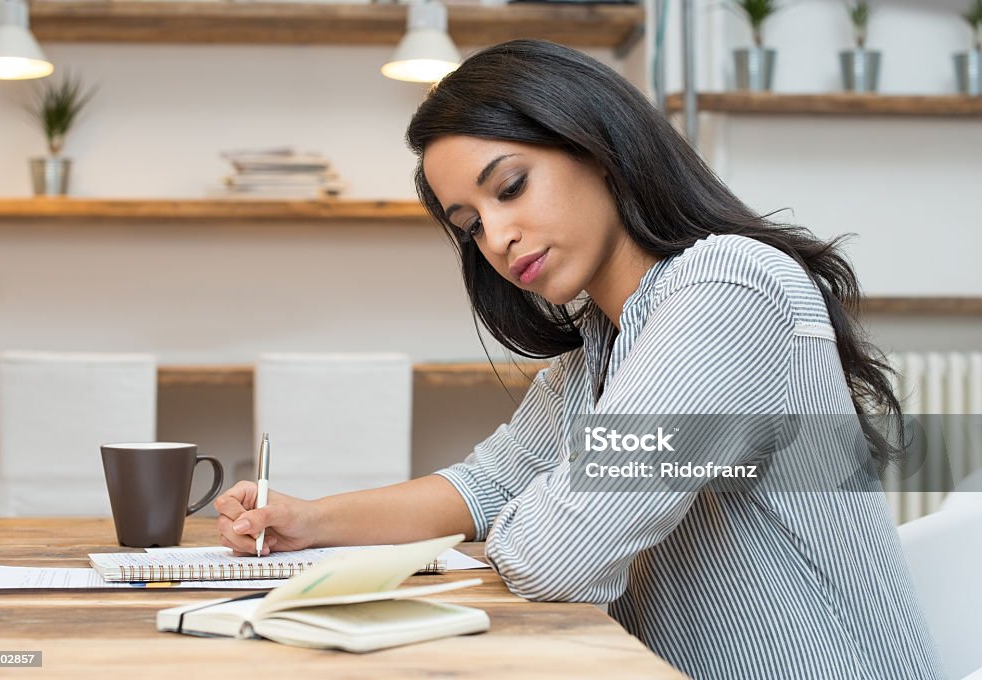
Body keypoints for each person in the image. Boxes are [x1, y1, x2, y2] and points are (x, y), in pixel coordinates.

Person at [215, 40, 944, 679]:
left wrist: (537, 510)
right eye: (470, 226)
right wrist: (307, 521)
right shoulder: (601, 348)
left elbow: (557, 554)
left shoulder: (728, 291)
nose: (497, 237)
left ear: (597, 147)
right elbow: (485, 486)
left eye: (510, 187)